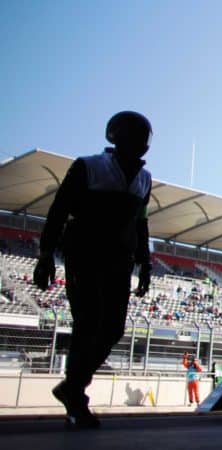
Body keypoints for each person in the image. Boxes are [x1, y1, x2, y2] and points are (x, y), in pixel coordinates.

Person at [33, 111, 153, 429]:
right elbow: (59, 209)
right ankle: (76, 399)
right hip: (84, 254)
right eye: (136, 137)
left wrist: (146, 263)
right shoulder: (88, 166)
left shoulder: (144, 179)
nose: (141, 144)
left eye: (144, 139)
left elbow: (141, 223)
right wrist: (46, 254)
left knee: (113, 328)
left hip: (119, 262)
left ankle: (72, 386)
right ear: (117, 137)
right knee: (88, 323)